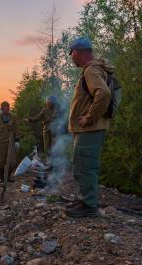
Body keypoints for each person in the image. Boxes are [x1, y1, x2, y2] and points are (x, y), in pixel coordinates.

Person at [65, 37, 113, 218]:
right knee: (83, 164)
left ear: (76, 53)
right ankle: (84, 199)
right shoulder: (94, 69)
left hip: (90, 129)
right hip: (89, 130)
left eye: (72, 55)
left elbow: (104, 93)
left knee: (86, 165)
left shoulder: (91, 70)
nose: (72, 58)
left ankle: (89, 205)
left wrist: (90, 118)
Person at [0, 101, 20, 184]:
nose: (7, 110)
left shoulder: (13, 117)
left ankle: (8, 177)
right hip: (1, 142)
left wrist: (17, 141)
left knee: (12, 162)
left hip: (11, 142)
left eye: (8, 108)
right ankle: (1, 178)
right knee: (2, 161)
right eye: (5, 108)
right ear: (1, 109)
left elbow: (16, 129)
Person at [24, 96, 58, 164]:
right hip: (46, 130)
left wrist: (46, 121)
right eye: (47, 101)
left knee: (55, 146)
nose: (48, 103)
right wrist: (30, 120)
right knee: (46, 146)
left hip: (55, 130)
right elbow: (38, 117)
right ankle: (48, 160)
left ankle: (55, 161)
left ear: (53, 102)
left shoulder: (56, 109)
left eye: (49, 101)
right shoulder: (44, 110)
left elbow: (54, 118)